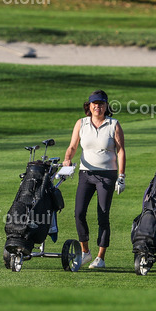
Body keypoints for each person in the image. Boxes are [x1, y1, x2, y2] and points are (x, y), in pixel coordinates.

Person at [63, 90, 125, 269]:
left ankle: (101, 257)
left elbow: (120, 151)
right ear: (89, 106)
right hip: (86, 174)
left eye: (101, 104)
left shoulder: (113, 124)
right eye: (94, 104)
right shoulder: (81, 123)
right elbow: (73, 146)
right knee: (79, 213)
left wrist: (121, 176)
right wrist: (68, 158)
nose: (98, 107)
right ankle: (85, 252)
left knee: (103, 215)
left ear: (106, 106)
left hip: (107, 175)